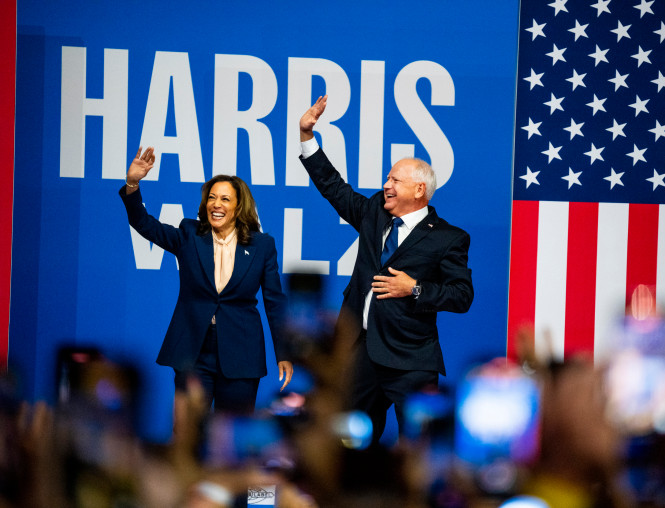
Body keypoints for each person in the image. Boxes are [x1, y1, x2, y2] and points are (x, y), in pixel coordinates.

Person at [297, 96, 474, 444]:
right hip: (359, 355)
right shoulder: (375, 212)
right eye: (386, 179)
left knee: (417, 450)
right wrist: (306, 136)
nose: (386, 185)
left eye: (394, 180)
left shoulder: (450, 238)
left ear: (419, 189)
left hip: (411, 359)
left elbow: (462, 295)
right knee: (347, 447)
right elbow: (333, 187)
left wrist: (416, 288)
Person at [120, 147, 293, 415]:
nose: (216, 204)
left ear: (238, 206)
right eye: (212, 198)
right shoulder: (189, 234)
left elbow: (274, 302)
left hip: (241, 352)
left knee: (232, 436)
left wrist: (284, 352)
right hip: (194, 350)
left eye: (225, 199)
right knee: (187, 433)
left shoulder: (262, 245)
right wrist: (133, 184)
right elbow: (144, 224)